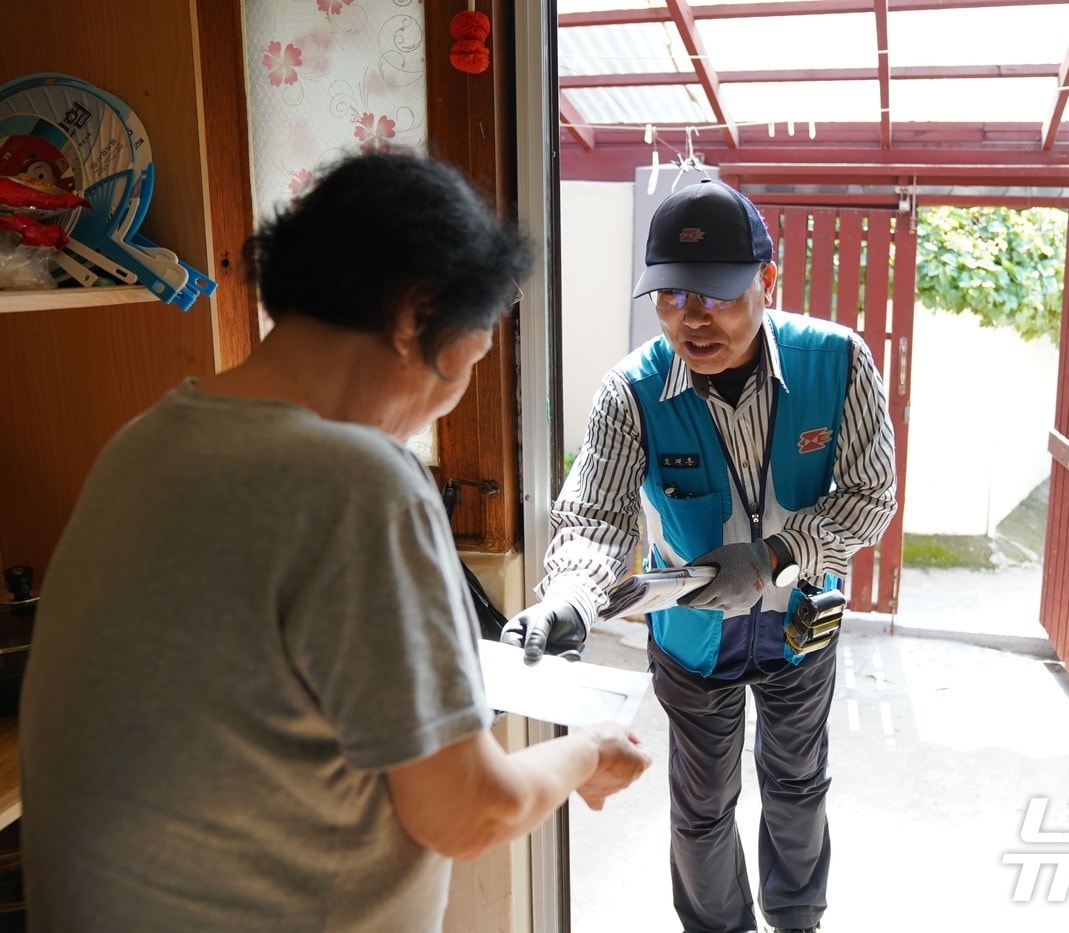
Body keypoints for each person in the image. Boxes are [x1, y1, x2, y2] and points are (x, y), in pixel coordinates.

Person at [19, 152, 651, 931]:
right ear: (416, 315)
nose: (439, 410)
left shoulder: (146, 440)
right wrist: (586, 753)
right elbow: (468, 814)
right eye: (468, 361)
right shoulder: (359, 481)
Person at [502, 178, 898, 933]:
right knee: (703, 804)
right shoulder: (632, 391)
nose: (693, 316)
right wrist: (572, 599)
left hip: (799, 628)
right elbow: (595, 515)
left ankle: (796, 917)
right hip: (690, 641)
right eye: (673, 295)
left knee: (796, 784)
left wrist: (779, 552)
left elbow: (872, 497)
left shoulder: (839, 363)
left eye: (714, 293)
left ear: (766, 281)